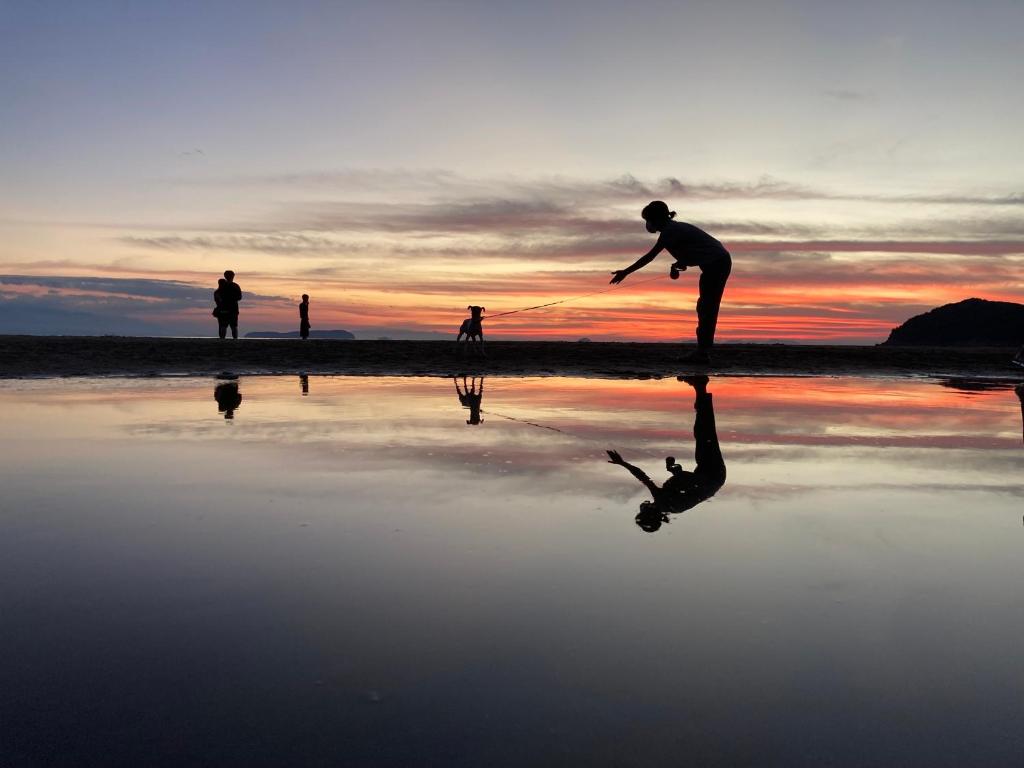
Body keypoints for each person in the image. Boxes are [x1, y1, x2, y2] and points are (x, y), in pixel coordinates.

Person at [611, 201, 732, 364]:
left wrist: (625, 272)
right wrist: (681, 262)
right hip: (716, 262)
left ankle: (702, 353)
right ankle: (702, 352)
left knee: (707, 307)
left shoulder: (670, 231)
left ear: (655, 219)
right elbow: (694, 249)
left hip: (717, 264)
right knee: (705, 306)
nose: (647, 224)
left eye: (648, 219)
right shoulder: (675, 229)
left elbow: (649, 256)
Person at [606, 375, 726, 532]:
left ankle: (700, 386)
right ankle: (701, 384)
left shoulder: (664, 503)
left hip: (709, 474)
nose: (641, 508)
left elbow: (644, 478)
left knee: (702, 431)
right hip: (712, 474)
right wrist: (676, 471)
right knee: (705, 431)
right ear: (650, 513)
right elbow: (696, 485)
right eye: (642, 512)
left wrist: (623, 464)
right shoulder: (669, 504)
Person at [216, 270, 243, 339]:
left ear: (225, 276)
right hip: (233, 309)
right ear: (233, 276)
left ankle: (222, 340)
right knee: (233, 326)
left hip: (224, 309)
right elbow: (239, 297)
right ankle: (235, 340)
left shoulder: (222, 286)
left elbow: (218, 296)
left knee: (223, 326)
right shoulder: (235, 286)